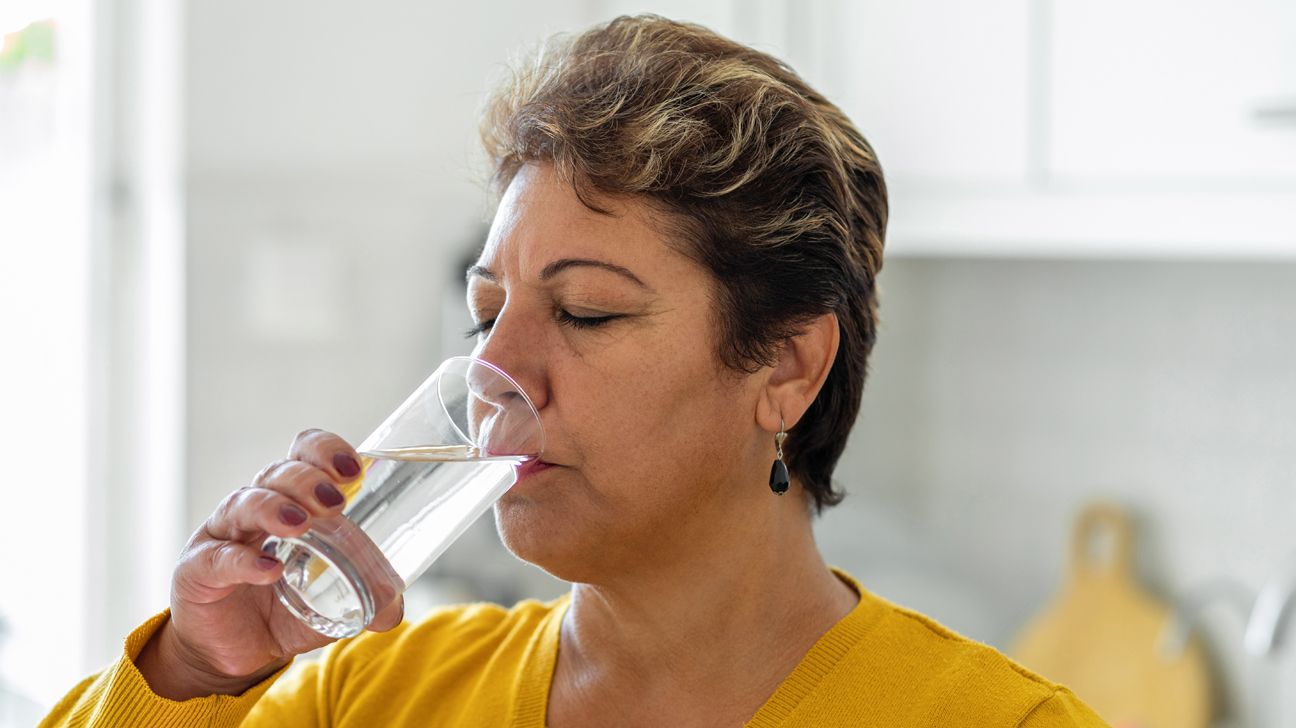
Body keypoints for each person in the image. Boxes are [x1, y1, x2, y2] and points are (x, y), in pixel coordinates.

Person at [41, 14, 1108, 728]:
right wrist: (197, 667)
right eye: (486, 311)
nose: (494, 368)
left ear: (787, 362)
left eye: (586, 310)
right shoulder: (376, 695)